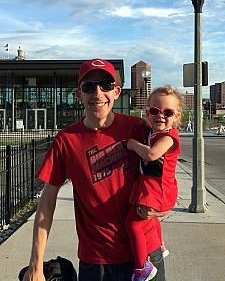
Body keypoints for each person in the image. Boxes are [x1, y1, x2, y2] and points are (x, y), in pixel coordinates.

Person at [22, 59, 167, 281]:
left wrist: (163, 206)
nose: (98, 93)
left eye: (105, 85)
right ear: (78, 94)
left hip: (146, 254)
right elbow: (47, 202)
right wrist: (36, 264)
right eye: (89, 86)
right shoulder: (66, 140)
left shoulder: (138, 129)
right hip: (96, 262)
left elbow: (165, 172)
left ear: (117, 92)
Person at [125, 85, 182, 281]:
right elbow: (149, 130)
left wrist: (132, 144)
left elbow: (151, 154)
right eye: (155, 111)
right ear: (148, 112)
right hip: (151, 184)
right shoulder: (154, 132)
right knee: (150, 219)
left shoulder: (169, 137)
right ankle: (160, 244)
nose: (160, 116)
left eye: (168, 112)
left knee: (132, 223)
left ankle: (142, 268)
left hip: (158, 188)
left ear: (176, 117)